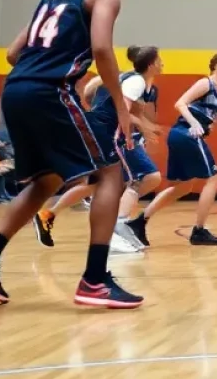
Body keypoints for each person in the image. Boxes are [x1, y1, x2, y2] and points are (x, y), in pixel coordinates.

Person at [0, 0, 141, 309]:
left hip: (16, 89)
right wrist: (122, 110)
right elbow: (103, 49)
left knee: (47, 180)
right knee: (110, 173)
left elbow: (11, 53)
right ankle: (94, 280)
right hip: (49, 91)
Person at [34, 45, 163, 252]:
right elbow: (123, 111)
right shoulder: (137, 81)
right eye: (159, 59)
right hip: (108, 132)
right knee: (143, 177)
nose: (162, 63)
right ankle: (116, 231)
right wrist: (130, 135)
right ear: (151, 63)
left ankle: (48, 215)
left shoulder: (124, 78)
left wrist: (143, 127)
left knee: (98, 184)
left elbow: (92, 93)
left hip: (97, 128)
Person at [123, 52, 217, 248]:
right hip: (186, 133)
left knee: (183, 186)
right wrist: (194, 123)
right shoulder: (205, 84)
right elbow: (180, 103)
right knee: (214, 177)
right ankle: (199, 230)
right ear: (214, 66)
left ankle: (138, 222)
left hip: (184, 135)